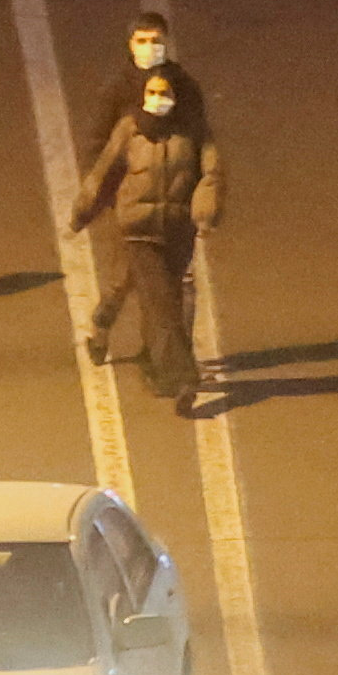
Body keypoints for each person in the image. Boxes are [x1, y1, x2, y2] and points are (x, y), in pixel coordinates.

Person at [69, 66, 225, 417]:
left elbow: (211, 175)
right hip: (138, 230)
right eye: (152, 93)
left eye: (165, 94)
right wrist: (81, 213)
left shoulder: (194, 132)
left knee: (165, 302)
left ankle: (158, 369)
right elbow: (103, 174)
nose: (158, 100)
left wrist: (204, 213)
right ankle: (185, 378)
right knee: (162, 304)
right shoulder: (129, 130)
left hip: (177, 229)